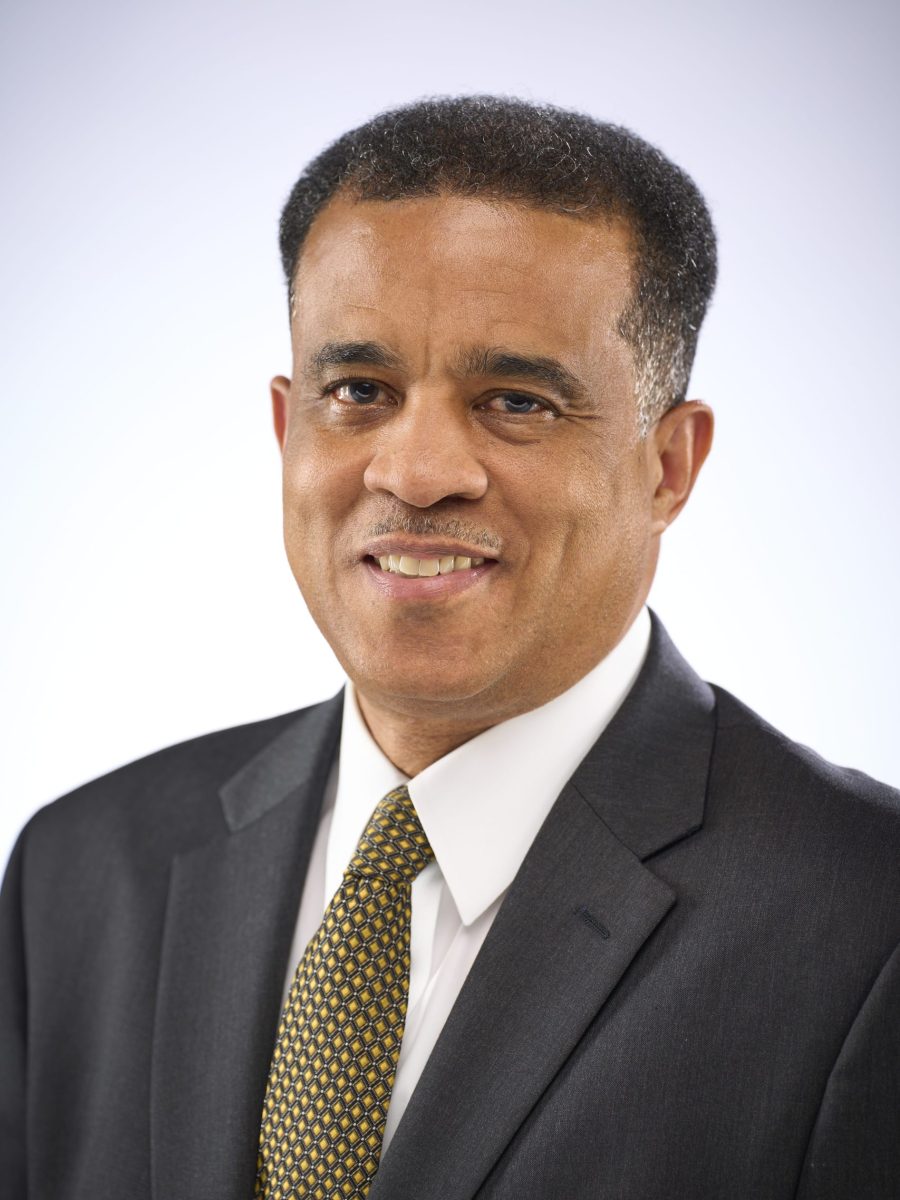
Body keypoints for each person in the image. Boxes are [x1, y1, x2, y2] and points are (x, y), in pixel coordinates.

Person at [1, 96, 898, 1200]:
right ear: (286, 429)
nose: (416, 471)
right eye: (358, 392)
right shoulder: (80, 872)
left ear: (669, 467)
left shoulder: (868, 926)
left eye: (516, 401)